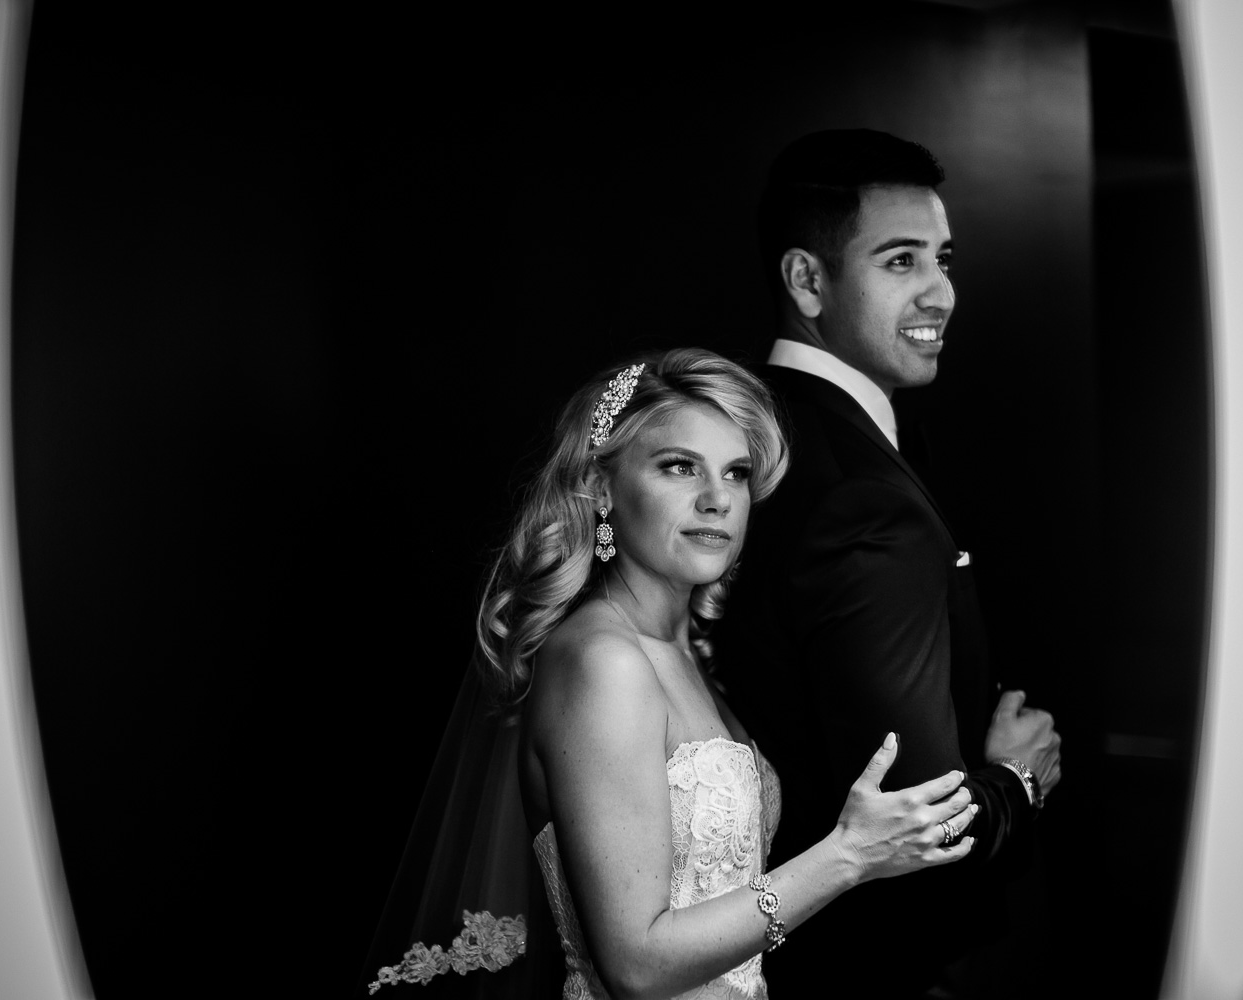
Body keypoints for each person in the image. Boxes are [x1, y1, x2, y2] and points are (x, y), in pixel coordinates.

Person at [360, 348, 980, 999]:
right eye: (679, 467)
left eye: (736, 473)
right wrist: (847, 856)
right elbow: (637, 963)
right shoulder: (605, 662)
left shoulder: (687, 653)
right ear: (601, 488)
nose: (717, 500)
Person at [715, 130, 1064, 998]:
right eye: (900, 260)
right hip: (862, 964)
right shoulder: (861, 497)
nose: (939, 290)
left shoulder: (741, 433)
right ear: (807, 281)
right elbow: (908, 819)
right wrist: (1017, 779)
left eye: (942, 258)